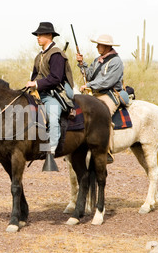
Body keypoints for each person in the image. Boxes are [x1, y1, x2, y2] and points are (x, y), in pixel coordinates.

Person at [26, 22, 75, 165]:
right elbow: (35, 75)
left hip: (54, 94)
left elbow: (55, 78)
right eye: (37, 35)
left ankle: (52, 149)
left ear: (49, 35)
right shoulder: (39, 56)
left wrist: (36, 84)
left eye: (40, 35)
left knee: (53, 117)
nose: (38, 37)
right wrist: (32, 85)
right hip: (39, 93)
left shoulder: (56, 54)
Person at [76, 34, 124, 163]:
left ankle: (107, 150)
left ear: (107, 46)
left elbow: (107, 81)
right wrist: (82, 64)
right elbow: (90, 75)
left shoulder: (116, 62)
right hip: (96, 94)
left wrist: (89, 85)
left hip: (109, 94)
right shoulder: (98, 59)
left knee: (104, 116)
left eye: (100, 44)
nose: (97, 46)